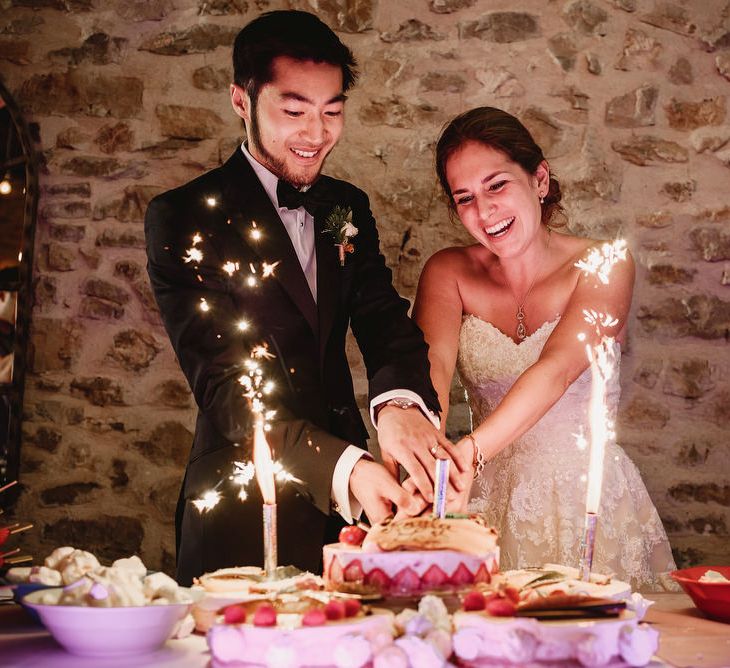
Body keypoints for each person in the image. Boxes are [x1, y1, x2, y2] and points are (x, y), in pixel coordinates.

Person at [145, 10, 467, 586]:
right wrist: (348, 469)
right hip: (243, 508)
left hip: (347, 520)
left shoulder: (347, 207)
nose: (316, 135)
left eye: (332, 111)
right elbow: (226, 389)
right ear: (242, 100)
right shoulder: (182, 216)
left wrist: (400, 410)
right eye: (294, 111)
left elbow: (383, 321)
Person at [413, 106, 676, 589]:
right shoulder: (447, 271)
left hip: (587, 494)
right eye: (465, 198)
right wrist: (425, 460)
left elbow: (555, 369)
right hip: (482, 497)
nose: (485, 211)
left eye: (497, 185)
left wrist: (468, 453)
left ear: (539, 179)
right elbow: (432, 367)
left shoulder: (606, 262)